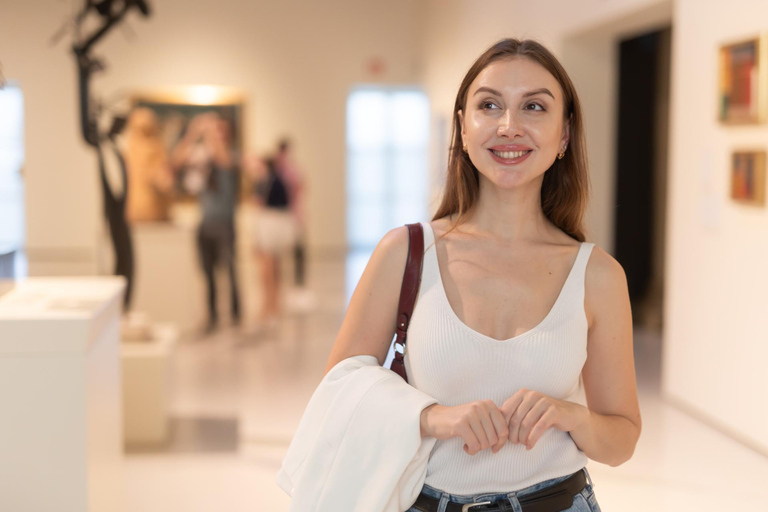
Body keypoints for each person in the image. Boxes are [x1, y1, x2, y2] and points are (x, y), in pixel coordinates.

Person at [322, 38, 641, 511]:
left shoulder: (597, 275)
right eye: (489, 105)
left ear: (565, 135)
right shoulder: (406, 253)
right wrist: (431, 418)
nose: (509, 126)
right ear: (463, 129)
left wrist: (570, 415)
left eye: (534, 106)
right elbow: (338, 395)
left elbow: (621, 439)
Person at [171, 113, 241, 333]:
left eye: (221, 130)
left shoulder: (231, 155)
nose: (216, 134)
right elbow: (177, 160)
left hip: (225, 222)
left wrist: (209, 133)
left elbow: (223, 159)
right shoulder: (203, 157)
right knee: (207, 271)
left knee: (229, 270)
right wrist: (193, 132)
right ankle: (212, 316)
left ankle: (235, 315)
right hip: (205, 221)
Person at [249, 156, 297, 327]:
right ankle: (273, 305)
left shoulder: (265, 183)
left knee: (268, 267)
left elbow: (259, 206)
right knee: (274, 266)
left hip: (269, 225)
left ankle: (270, 305)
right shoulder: (274, 180)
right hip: (275, 224)